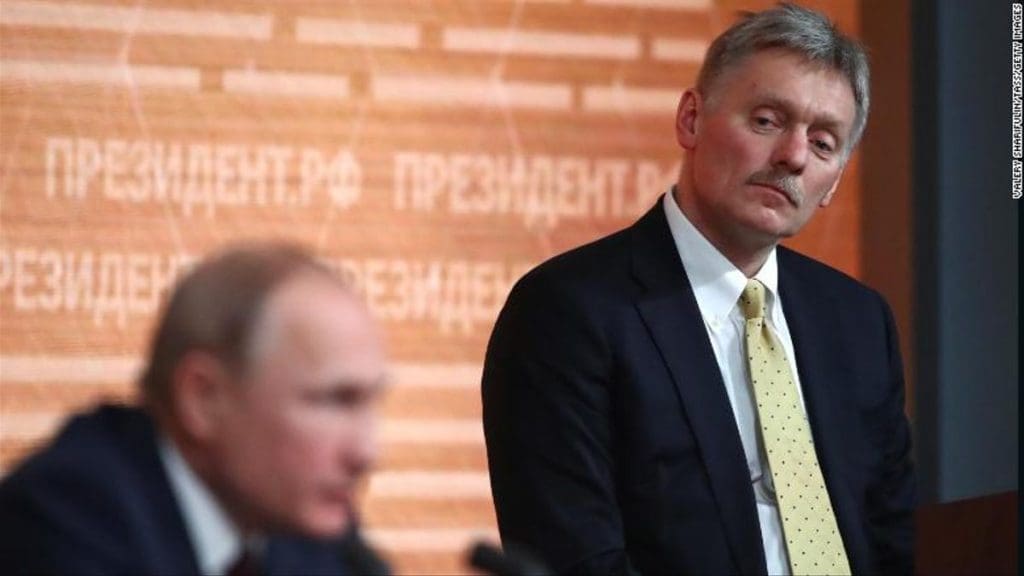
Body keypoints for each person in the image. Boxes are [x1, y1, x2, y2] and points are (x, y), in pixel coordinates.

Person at [481, 4, 914, 575]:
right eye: (767, 120)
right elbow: (574, 557)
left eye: (823, 143)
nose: (793, 156)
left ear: (833, 182)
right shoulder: (568, 311)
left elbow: (895, 541)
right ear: (690, 119)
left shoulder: (858, 321)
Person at [0, 243, 391, 575]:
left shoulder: (312, 535)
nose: (366, 454)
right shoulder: (67, 518)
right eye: (335, 402)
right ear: (203, 398)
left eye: (371, 402)